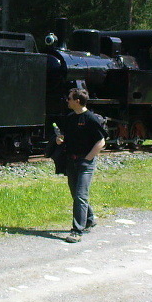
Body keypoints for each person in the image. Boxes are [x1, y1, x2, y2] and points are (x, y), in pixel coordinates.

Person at [54, 88, 107, 243]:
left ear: (77, 101)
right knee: (76, 195)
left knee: (80, 195)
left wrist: (88, 158)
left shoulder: (91, 118)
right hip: (71, 161)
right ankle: (89, 219)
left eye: (69, 98)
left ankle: (77, 231)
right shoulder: (70, 118)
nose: (67, 101)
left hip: (85, 163)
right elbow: (65, 137)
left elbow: (101, 141)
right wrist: (59, 140)